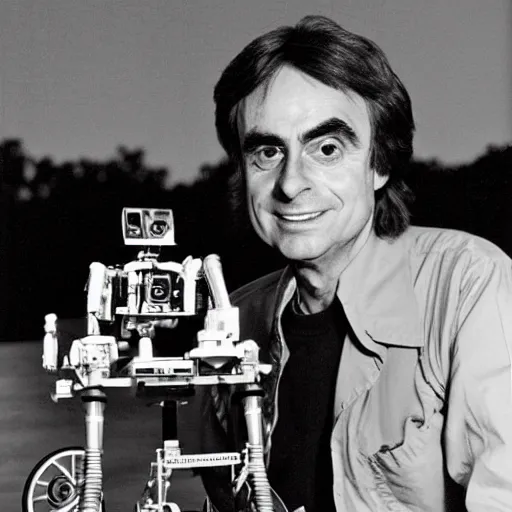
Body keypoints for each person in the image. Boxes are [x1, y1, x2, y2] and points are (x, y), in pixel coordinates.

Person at [199, 15, 512, 512]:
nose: (290, 183)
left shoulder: (467, 283)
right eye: (266, 151)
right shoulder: (232, 323)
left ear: (380, 163)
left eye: (326, 148)